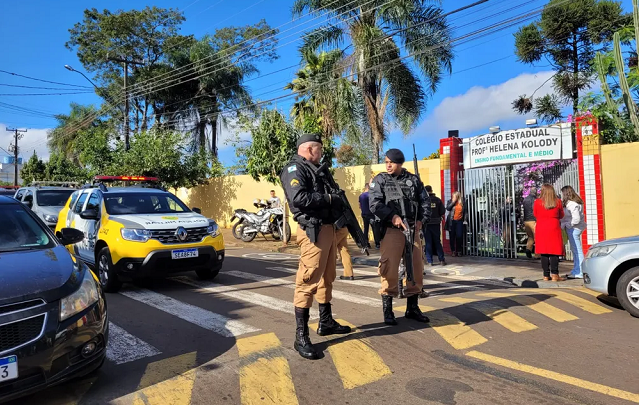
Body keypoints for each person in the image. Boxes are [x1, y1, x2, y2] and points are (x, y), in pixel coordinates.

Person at [280, 133, 351, 360]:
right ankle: (300, 336)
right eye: (319, 149)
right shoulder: (294, 170)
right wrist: (329, 199)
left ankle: (326, 321)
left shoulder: (318, 169)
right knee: (308, 281)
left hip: (329, 229)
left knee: (327, 277)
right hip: (314, 231)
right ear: (310, 149)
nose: (322, 153)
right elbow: (299, 198)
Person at [369, 148, 431, 325]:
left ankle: (412, 307)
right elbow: (375, 204)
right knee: (389, 268)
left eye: (392, 162)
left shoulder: (413, 180)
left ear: (400, 163)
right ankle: (388, 311)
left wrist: (422, 220)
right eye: (386, 162)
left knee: (416, 268)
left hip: (412, 230)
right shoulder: (380, 180)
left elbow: (425, 201)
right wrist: (392, 216)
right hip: (392, 230)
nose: (388, 165)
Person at [533, 184, 566, 282]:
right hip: (553, 227)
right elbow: (561, 215)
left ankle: (546, 275)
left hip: (541, 227)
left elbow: (535, 214)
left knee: (544, 252)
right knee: (554, 252)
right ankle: (555, 275)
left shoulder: (537, 202)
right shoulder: (558, 202)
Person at [560, 185, 586, 279]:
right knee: (575, 250)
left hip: (574, 229)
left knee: (577, 251)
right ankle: (576, 270)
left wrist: (568, 225)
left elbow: (576, 219)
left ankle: (579, 271)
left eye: (563, 193)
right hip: (575, 228)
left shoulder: (572, 204)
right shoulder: (576, 203)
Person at [423, 185, 446, 266]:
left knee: (428, 242)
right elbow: (442, 211)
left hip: (426, 224)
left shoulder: (424, 200)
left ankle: (430, 261)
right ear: (431, 190)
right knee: (437, 242)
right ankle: (442, 260)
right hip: (436, 223)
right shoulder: (438, 200)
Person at [445, 191, 467, 257]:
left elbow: (465, 212)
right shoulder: (450, 201)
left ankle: (459, 251)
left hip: (459, 221)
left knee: (459, 236)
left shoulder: (462, 202)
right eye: (453, 196)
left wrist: (465, 220)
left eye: (455, 196)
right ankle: (453, 251)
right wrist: (453, 202)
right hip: (452, 221)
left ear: (458, 196)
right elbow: (448, 208)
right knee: (452, 237)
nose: (453, 197)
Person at [522, 188, 538, 259]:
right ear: (536, 192)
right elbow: (534, 209)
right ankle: (538, 254)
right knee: (537, 237)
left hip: (526, 220)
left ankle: (528, 249)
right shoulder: (535, 199)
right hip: (533, 220)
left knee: (530, 236)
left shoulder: (525, 199)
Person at [359, 184, 376, 249]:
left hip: (364, 214)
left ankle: (366, 243)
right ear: (369, 188)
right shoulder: (370, 195)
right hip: (371, 214)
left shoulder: (361, 196)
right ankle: (377, 243)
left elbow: (359, 206)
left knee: (366, 229)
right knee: (374, 228)